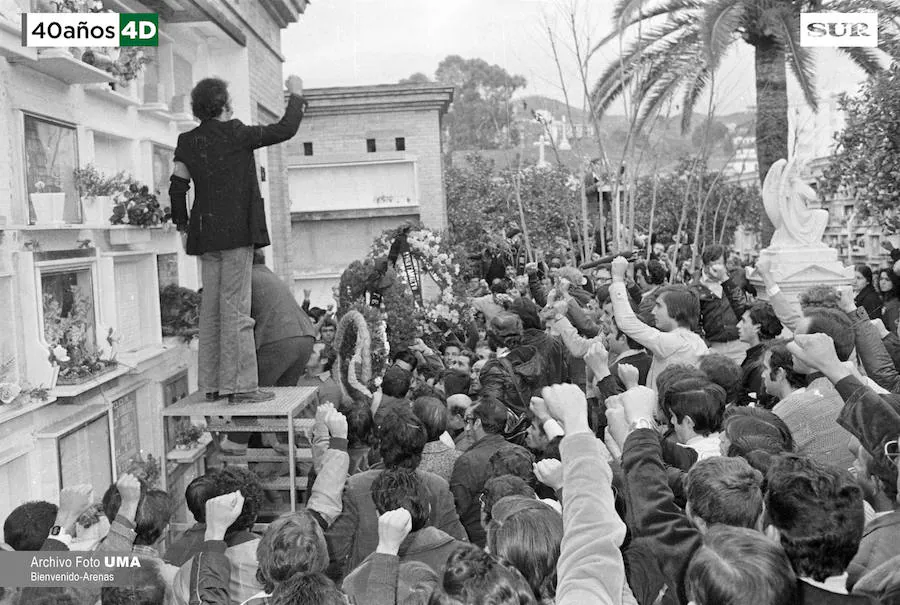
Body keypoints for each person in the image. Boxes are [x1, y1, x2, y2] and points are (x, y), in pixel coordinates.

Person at [169, 75, 307, 403]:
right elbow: (285, 129)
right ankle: (242, 388)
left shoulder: (187, 141)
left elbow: (178, 185)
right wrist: (296, 95)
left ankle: (213, 385)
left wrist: (183, 223)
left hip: (205, 237)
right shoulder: (238, 134)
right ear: (224, 105)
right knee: (237, 311)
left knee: (212, 311)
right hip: (236, 237)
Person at [609, 256, 708, 391]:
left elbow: (626, 322)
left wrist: (617, 279)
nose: (654, 311)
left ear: (676, 310)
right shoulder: (696, 342)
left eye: (659, 306)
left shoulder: (674, 342)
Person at [450, 396, 532, 547]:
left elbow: (457, 509)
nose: (466, 427)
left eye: (468, 420)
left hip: (480, 540)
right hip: (520, 537)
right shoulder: (521, 453)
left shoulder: (468, 461)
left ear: (478, 423)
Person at [690, 244, 749, 363]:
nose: (716, 269)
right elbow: (693, 321)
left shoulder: (738, 276)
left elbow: (742, 305)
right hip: (714, 346)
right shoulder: (695, 287)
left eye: (719, 264)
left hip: (740, 343)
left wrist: (725, 279)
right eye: (711, 265)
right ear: (705, 265)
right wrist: (704, 344)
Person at [737, 302, 783, 408]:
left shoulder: (762, 362)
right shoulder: (758, 355)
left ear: (757, 327)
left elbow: (756, 402)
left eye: (743, 321)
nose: (738, 325)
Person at [878, 268, 900, 334]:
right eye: (881, 279)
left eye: (887, 280)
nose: (883, 282)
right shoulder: (884, 299)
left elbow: (895, 332)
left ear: (894, 282)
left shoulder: (894, 304)